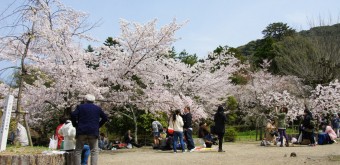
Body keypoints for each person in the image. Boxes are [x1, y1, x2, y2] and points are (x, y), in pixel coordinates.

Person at [71, 94, 108, 165]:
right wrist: (98, 125)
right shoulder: (97, 108)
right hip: (93, 131)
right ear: (93, 101)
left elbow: (73, 115)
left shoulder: (80, 107)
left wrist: (75, 124)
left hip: (81, 131)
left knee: (78, 150)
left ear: (85, 100)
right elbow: (105, 118)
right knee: (94, 151)